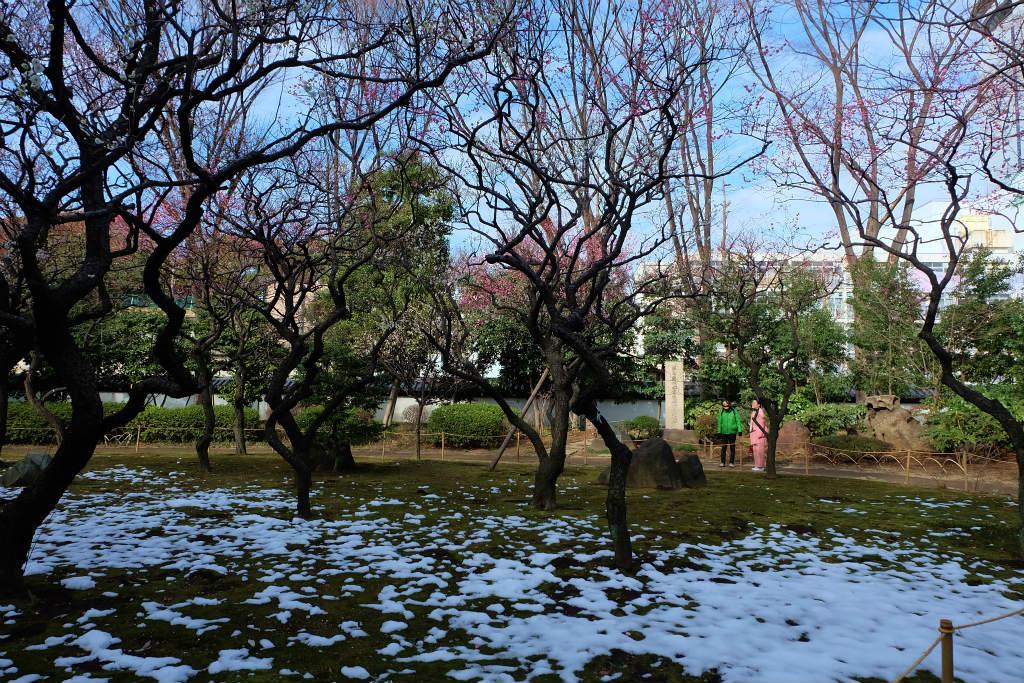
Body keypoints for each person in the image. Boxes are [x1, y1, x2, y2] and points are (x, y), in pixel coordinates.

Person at [716, 400, 742, 467]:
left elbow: (738, 421)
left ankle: (731, 462)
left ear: (729, 405)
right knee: (723, 448)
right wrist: (719, 431)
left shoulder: (734, 411)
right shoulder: (721, 411)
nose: (725, 407)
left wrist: (740, 430)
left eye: (726, 405)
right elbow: (719, 422)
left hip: (732, 432)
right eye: (724, 406)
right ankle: (722, 462)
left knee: (732, 448)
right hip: (724, 432)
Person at [749, 398, 768, 472]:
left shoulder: (760, 412)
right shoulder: (754, 411)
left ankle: (760, 466)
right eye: (752, 403)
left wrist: (760, 434)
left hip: (759, 433)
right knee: (756, 450)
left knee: (760, 450)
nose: (752, 404)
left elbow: (762, 423)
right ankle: (757, 465)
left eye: (754, 403)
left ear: (759, 405)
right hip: (754, 433)